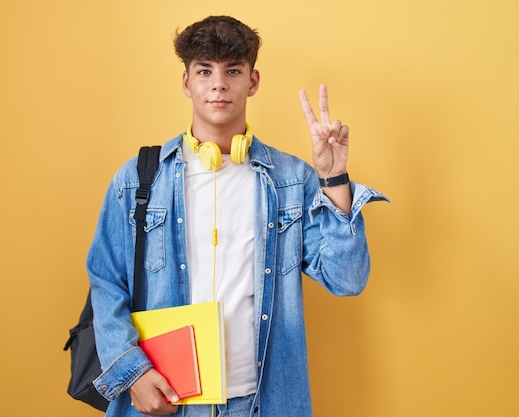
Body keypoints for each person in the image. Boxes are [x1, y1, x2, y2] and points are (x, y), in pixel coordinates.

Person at [86, 15, 387, 417]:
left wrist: (333, 178)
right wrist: (132, 373)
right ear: (186, 81)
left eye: (232, 70)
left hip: (262, 402)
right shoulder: (139, 178)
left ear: (253, 80)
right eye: (204, 70)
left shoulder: (292, 180)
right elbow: (106, 281)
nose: (218, 84)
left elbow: (347, 279)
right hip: (167, 400)